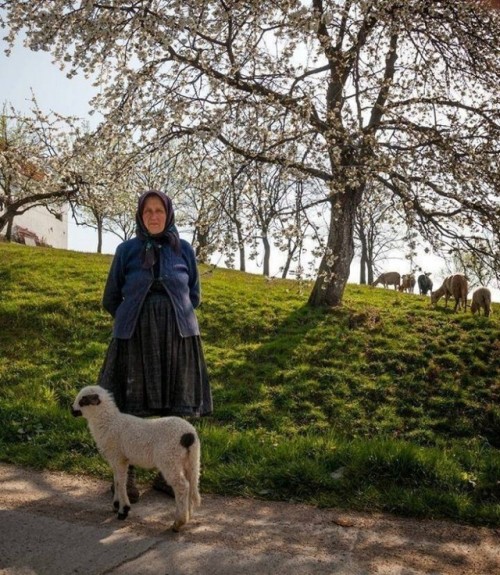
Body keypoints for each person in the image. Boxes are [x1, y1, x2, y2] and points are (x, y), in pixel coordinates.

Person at [98, 190, 212, 501]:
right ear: (140, 215)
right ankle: (125, 478)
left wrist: (168, 317)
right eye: (147, 210)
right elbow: (111, 298)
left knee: (174, 407)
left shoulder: (184, 250)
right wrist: (134, 318)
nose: (153, 215)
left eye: (158, 210)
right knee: (127, 405)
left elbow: (195, 296)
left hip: (178, 337)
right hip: (134, 337)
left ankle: (169, 476)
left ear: (168, 213)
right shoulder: (126, 250)